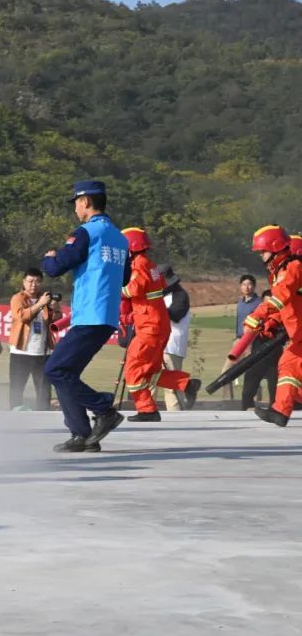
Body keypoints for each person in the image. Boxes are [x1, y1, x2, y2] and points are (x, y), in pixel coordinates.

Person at [42, 180, 129, 452]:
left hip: (90, 312)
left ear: (86, 202)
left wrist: (49, 257)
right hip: (106, 315)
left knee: (55, 369)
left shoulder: (85, 233)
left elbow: (57, 267)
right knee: (66, 372)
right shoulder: (120, 237)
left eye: (76, 203)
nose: (75, 209)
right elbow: (125, 276)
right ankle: (82, 435)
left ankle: (105, 410)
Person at [118, 228, 200, 422]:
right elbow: (151, 293)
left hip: (149, 327)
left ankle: (147, 409)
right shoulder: (151, 266)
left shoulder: (139, 266)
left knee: (133, 368)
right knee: (150, 371)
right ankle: (186, 384)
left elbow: (133, 290)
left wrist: (113, 286)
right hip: (155, 324)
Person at [242, 225, 302, 427]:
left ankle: (281, 411)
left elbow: (280, 297)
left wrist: (256, 315)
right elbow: (285, 306)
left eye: (263, 251)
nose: (261, 256)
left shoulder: (293, 268)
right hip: (299, 334)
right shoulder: (282, 271)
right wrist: (271, 322)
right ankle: (280, 412)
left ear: (275, 248)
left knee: (289, 366)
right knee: (289, 366)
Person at [8, 267, 60, 410]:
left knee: (44, 390)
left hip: (43, 352)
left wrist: (56, 308)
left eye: (37, 281)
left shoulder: (45, 298)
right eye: (30, 281)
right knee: (17, 387)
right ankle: (15, 415)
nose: (33, 285)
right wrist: (40, 304)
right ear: (24, 282)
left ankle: (43, 415)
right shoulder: (18, 298)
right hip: (21, 351)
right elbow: (22, 317)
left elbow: (55, 319)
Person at [241, 289, 282, 410]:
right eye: (267, 304)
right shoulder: (256, 315)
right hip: (257, 354)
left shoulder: (283, 316)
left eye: (272, 305)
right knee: (249, 382)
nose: (270, 308)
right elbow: (246, 331)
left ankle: (275, 409)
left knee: (275, 384)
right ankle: (246, 406)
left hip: (275, 355)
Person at [159, 265, 192, 411]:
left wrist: (153, 307)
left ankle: (176, 415)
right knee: (149, 381)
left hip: (171, 345)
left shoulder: (180, 295)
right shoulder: (159, 294)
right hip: (156, 343)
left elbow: (175, 315)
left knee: (171, 385)